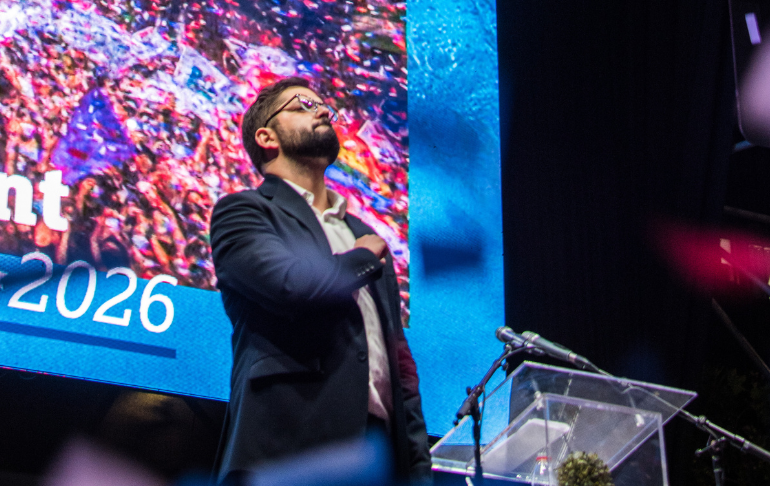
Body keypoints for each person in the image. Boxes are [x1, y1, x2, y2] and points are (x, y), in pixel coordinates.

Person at [209, 77, 432, 485]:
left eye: (323, 104)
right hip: (287, 449)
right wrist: (364, 256)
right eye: (302, 105)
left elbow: (400, 370)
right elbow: (291, 286)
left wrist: (417, 470)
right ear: (266, 137)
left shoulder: (362, 231)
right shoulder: (245, 212)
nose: (323, 111)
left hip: (377, 458)